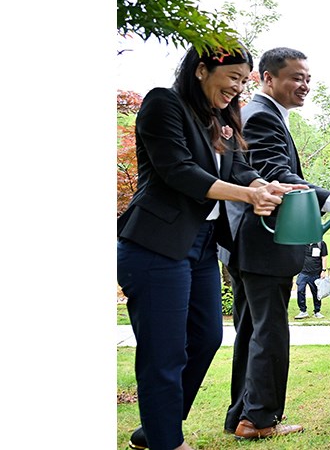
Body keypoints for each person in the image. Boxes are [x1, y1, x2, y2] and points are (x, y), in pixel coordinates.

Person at [117, 44, 300, 450]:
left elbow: (240, 168)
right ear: (201, 70)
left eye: (243, 80)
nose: (237, 88)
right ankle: (167, 440)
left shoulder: (222, 119)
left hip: (201, 247)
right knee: (164, 351)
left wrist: (261, 186)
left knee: (205, 339)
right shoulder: (163, 104)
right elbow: (178, 171)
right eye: (232, 77)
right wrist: (246, 196)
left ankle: (155, 428)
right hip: (155, 245)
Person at [223, 47, 330, 440]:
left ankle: (243, 417)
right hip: (264, 241)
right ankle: (260, 420)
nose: (304, 85)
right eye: (295, 77)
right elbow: (275, 175)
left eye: (308, 78)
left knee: (252, 330)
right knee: (269, 332)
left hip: (249, 244)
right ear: (267, 79)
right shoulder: (263, 116)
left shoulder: (259, 115)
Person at [294, 240, 328, 320]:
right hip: (303, 272)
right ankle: (303, 311)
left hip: (316, 273)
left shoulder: (321, 243)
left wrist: (323, 270)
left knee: (316, 293)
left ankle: (317, 311)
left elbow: (324, 257)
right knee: (300, 291)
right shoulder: (302, 243)